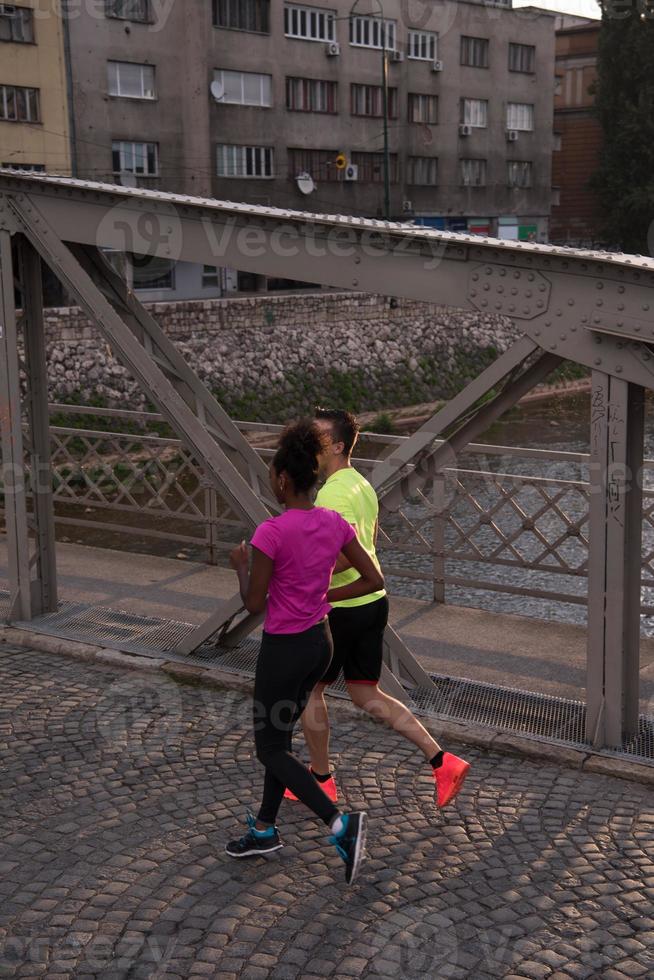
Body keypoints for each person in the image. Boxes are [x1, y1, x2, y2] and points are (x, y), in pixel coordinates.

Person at [285, 408, 470, 810]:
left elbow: (347, 556)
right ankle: (442, 761)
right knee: (366, 692)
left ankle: (321, 780)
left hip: (342, 606)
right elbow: (366, 542)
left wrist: (306, 580)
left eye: (315, 437)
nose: (307, 443)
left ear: (336, 446)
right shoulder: (359, 485)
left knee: (308, 690)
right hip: (370, 604)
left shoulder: (333, 493)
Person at [225, 419, 385, 885]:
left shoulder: (270, 533)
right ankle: (264, 828)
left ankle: (340, 825)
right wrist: (326, 598)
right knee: (280, 740)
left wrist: (240, 567)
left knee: (268, 748)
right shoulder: (332, 522)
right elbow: (373, 580)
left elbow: (255, 604)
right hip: (320, 642)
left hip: (285, 649)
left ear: (281, 479)